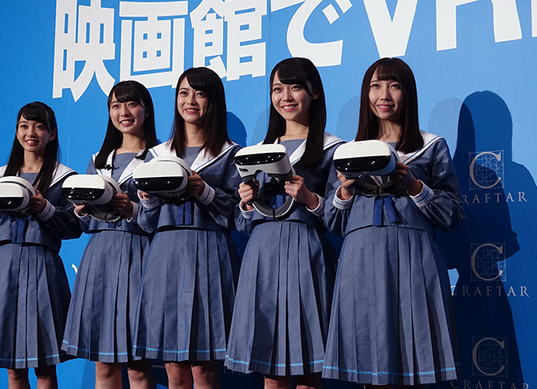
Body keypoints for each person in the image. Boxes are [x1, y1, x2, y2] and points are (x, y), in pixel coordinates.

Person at [322, 57, 465, 388]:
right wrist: (344, 191)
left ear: (408, 93)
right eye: (375, 86)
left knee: (413, 364)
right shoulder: (347, 152)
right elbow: (333, 221)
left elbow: (453, 214)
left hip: (415, 256)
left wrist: (414, 185)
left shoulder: (430, 146)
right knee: (371, 367)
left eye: (394, 86)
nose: (383, 95)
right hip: (360, 259)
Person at [224, 57, 342, 389]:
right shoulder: (257, 151)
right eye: (277, 89)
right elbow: (241, 222)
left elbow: (340, 218)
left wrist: (309, 198)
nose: (285, 97)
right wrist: (247, 202)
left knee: (308, 368)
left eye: (295, 87)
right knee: (271, 368)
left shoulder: (333, 148)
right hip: (262, 253)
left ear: (314, 93)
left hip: (306, 250)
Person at [134, 67, 241, 389]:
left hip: (209, 251)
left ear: (213, 101)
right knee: (173, 367)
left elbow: (237, 215)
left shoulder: (230, 154)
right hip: (165, 254)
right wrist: (147, 200)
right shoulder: (157, 155)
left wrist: (203, 190)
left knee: (204, 367)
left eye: (200, 93)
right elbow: (146, 223)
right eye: (183, 93)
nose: (190, 101)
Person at [0, 101, 82, 389]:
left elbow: (74, 226)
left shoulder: (64, 177)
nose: (30, 133)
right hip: (4, 267)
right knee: (14, 369)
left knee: (45, 366)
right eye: (24, 126)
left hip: (43, 265)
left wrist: (45, 209)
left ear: (52, 133)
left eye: (39, 126)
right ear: (16, 131)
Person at [61, 80, 157, 389]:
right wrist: (81, 210)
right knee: (103, 366)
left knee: (138, 365)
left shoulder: (159, 157)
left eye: (131, 104)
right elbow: (83, 224)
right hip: (100, 256)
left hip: (139, 254)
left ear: (146, 110)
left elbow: (162, 218)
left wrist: (132, 208)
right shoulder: (99, 161)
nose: (123, 112)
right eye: (116, 106)